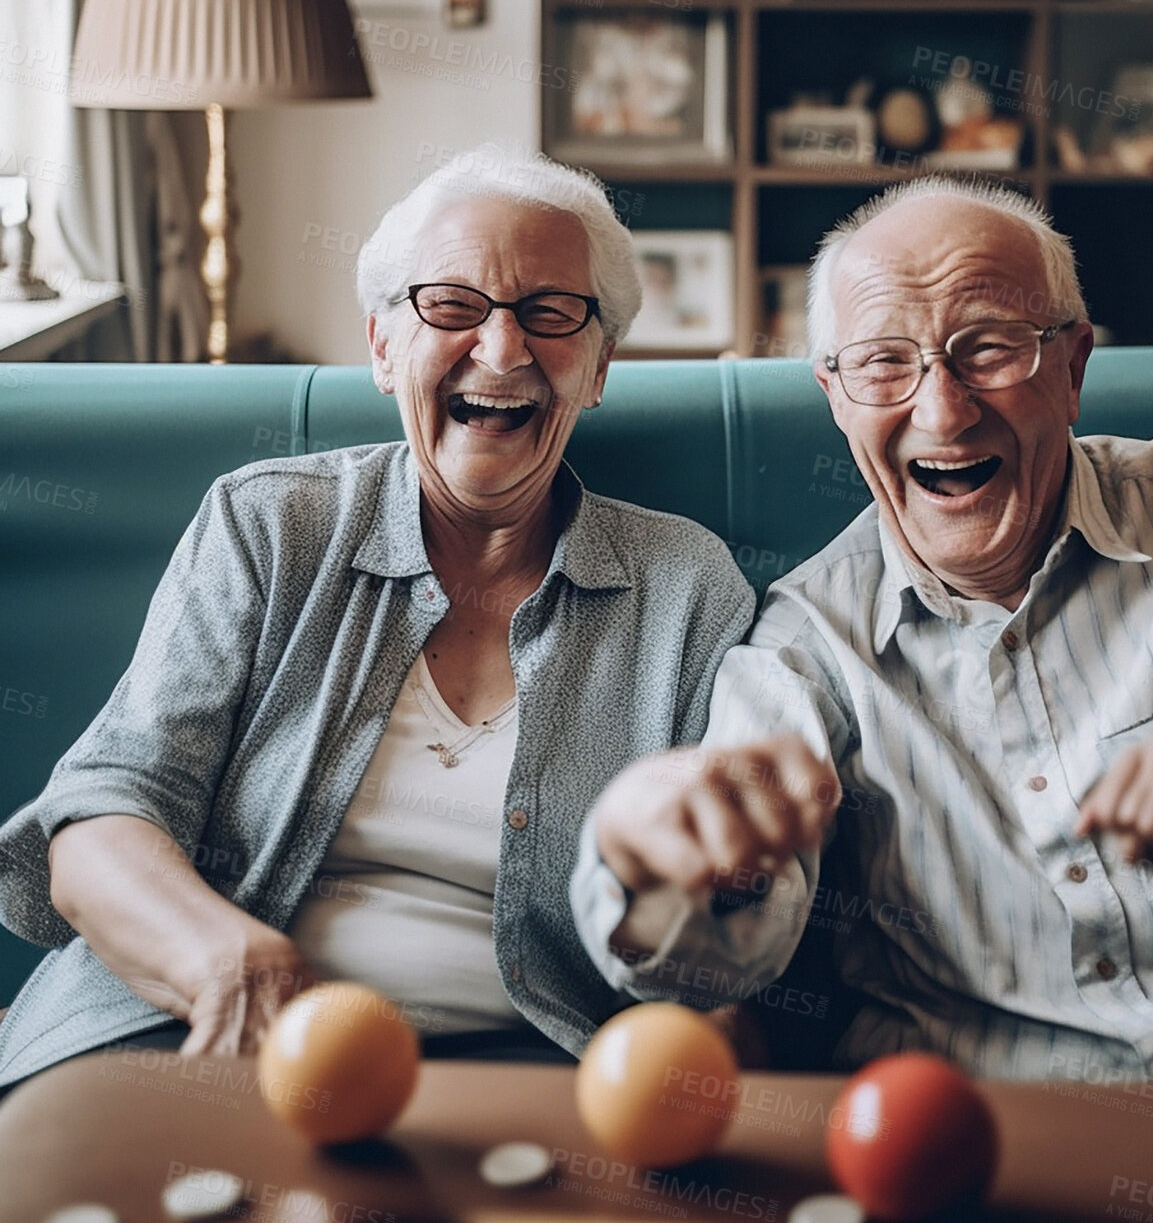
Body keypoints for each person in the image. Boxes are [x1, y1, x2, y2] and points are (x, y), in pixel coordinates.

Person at [574, 176, 1153, 1212]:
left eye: (989, 347)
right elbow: (708, 962)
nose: (943, 407)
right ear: (835, 396)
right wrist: (648, 851)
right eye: (885, 362)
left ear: (1072, 365)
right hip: (964, 1171)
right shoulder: (806, 645)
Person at [0, 145, 756, 1088]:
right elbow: (102, 812)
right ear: (383, 346)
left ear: (598, 366)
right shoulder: (271, 523)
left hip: (534, 1072)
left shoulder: (684, 587)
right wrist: (228, 965)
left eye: (551, 313)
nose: (503, 349)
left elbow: (715, 927)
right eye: (451, 305)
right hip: (187, 1031)